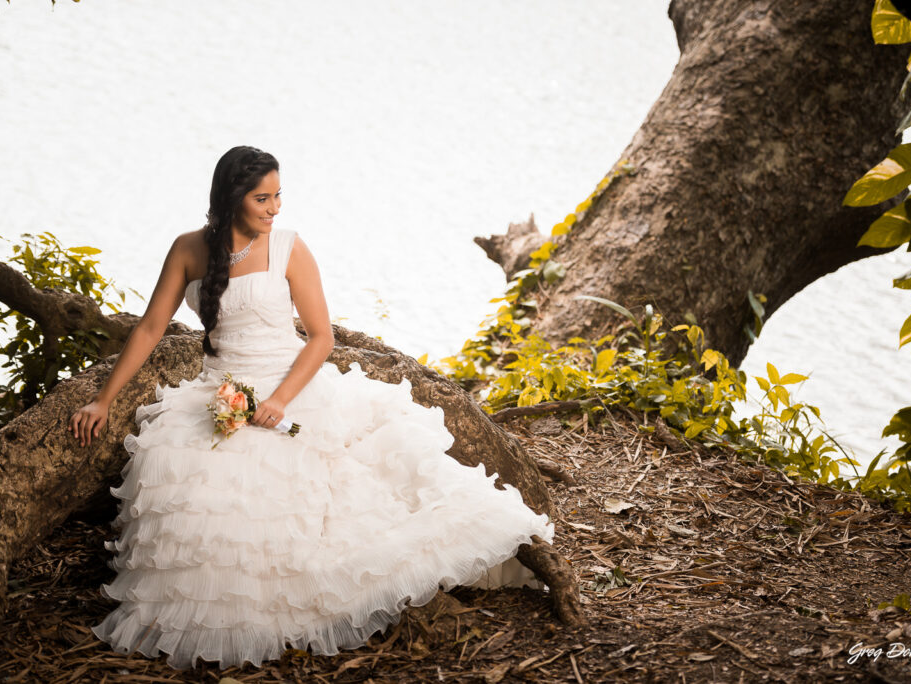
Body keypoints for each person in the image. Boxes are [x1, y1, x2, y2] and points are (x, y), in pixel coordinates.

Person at [69, 145, 555, 670]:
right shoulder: (188, 249)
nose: (274, 207)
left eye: (279, 195)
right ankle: (214, 610)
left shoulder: (290, 248)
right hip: (220, 390)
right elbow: (149, 327)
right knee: (182, 472)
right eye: (262, 197)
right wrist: (103, 399)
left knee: (301, 482)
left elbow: (320, 338)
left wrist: (279, 400)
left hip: (292, 386)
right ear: (232, 198)